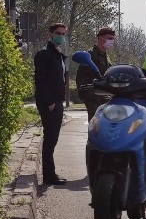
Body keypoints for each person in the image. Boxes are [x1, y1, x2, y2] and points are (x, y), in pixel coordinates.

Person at [34, 23, 70, 185]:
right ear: (50, 34)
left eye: (63, 34)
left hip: (56, 102)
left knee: (53, 139)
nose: (61, 36)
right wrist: (50, 103)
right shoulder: (44, 54)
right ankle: (49, 176)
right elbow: (40, 82)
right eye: (58, 33)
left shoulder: (57, 54)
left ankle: (50, 174)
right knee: (50, 139)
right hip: (50, 103)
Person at [75, 27, 115, 121]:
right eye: (109, 38)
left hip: (105, 96)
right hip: (93, 97)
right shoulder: (89, 55)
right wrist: (85, 95)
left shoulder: (106, 56)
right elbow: (81, 76)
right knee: (95, 125)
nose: (112, 41)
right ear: (101, 38)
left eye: (113, 39)